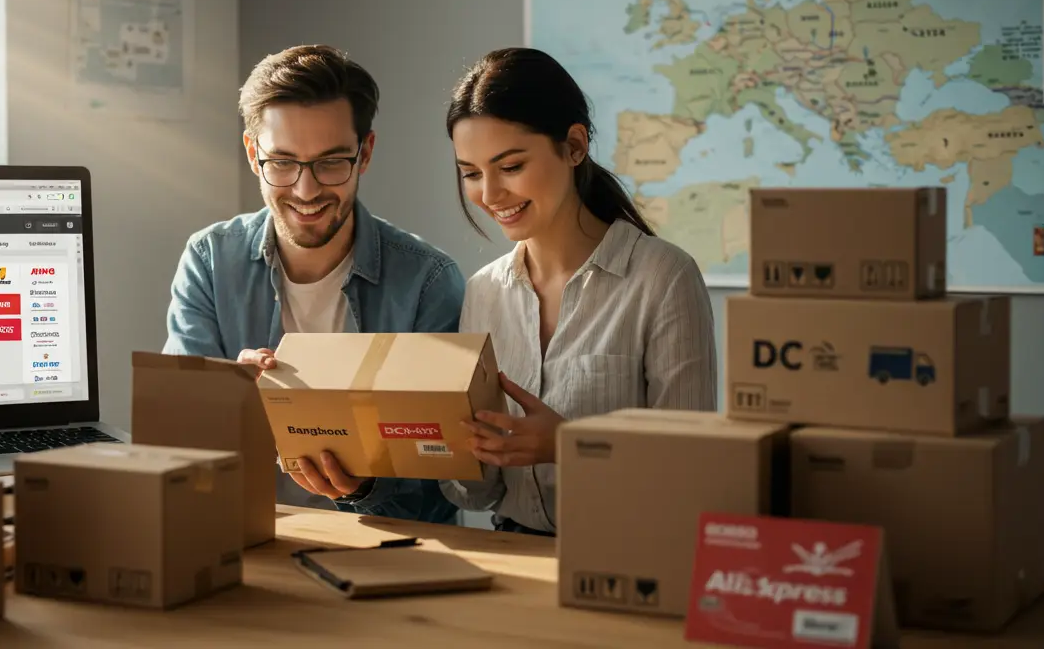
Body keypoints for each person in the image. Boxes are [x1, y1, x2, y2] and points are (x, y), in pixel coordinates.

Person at [162, 44, 465, 524]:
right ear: (251, 152)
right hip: (244, 537)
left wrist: (368, 484)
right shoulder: (210, 259)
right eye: (281, 162)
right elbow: (172, 439)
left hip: (387, 550)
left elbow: (444, 479)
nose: (306, 191)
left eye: (330, 162)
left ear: (364, 154)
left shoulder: (428, 281)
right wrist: (224, 405)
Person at [440, 47, 717, 536]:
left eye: (510, 166)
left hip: (628, 557)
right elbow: (478, 495)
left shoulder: (663, 277)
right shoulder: (483, 292)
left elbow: (693, 470)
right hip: (513, 553)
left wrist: (568, 444)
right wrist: (459, 450)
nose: (489, 194)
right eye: (470, 173)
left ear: (573, 145)